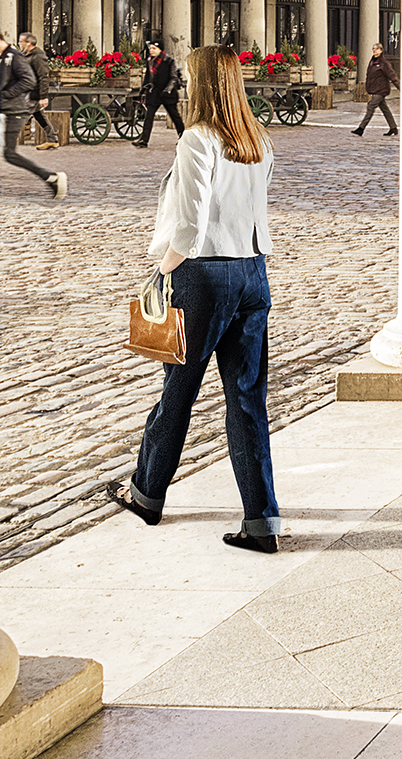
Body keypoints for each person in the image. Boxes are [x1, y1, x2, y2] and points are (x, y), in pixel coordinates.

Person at [105, 45, 279, 551]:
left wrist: (158, 274)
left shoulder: (198, 139)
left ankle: (147, 494)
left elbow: (189, 223)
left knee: (178, 392)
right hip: (253, 273)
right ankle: (261, 520)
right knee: (247, 400)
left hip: (204, 277)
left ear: (202, 85)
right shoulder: (258, 140)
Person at [1, 31, 64, 200]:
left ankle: (51, 177)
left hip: (18, 107)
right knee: (39, 117)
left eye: (23, 42)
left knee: (10, 153)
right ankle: (52, 139)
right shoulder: (10, 56)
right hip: (12, 105)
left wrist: (43, 96)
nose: (21, 44)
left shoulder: (21, 57)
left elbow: (35, 78)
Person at [139, 38, 185, 151]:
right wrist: (142, 89)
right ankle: (143, 140)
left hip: (167, 94)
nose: (152, 50)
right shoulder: (150, 61)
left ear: (160, 49)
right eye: (150, 48)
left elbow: (173, 77)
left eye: (154, 48)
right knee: (149, 116)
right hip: (154, 93)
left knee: (175, 116)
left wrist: (168, 89)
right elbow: (148, 78)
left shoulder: (168, 61)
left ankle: (183, 137)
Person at [355, 42, 398, 138]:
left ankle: (361, 128)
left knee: (371, 107)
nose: (374, 50)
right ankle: (393, 127)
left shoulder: (383, 63)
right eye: (373, 48)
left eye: (377, 49)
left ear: (381, 50)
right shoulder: (372, 62)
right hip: (374, 89)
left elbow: (392, 76)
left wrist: (400, 88)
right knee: (385, 109)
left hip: (381, 90)